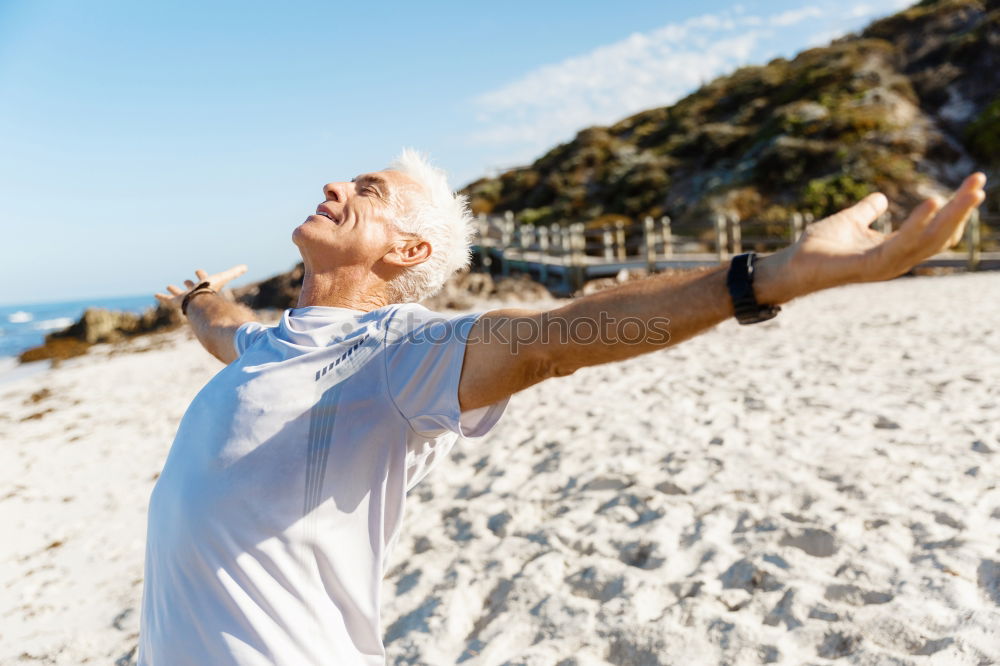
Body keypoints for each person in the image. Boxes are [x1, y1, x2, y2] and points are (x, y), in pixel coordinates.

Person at [142, 148, 986, 665]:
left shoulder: (401, 353)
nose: (332, 183)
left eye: (365, 188)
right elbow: (228, 329)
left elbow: (557, 335)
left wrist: (764, 278)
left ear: (409, 250)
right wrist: (199, 301)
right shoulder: (269, 344)